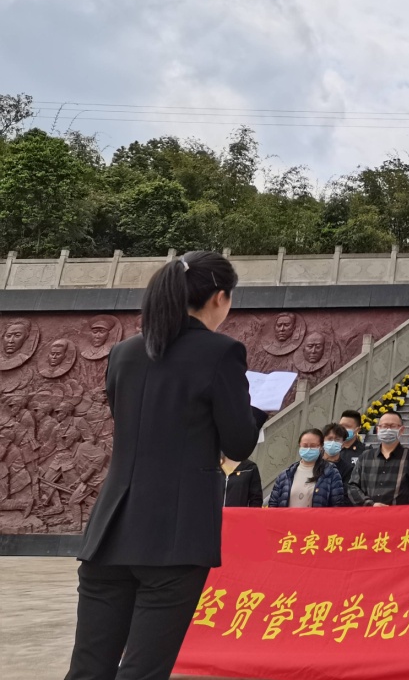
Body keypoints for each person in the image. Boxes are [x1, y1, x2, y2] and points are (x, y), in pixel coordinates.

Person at [67, 250, 258, 680]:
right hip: (175, 535)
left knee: (88, 668)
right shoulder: (222, 352)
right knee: (143, 669)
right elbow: (239, 442)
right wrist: (255, 410)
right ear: (220, 298)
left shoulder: (125, 352)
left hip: (110, 531)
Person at [346, 411, 409, 506]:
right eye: (384, 426)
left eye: (392, 426)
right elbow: (353, 486)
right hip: (369, 515)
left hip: (399, 516)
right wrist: (370, 504)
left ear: (401, 430)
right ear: (378, 429)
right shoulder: (365, 456)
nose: (388, 429)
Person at [268, 428, 346, 508]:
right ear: (299, 446)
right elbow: (273, 504)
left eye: (313, 446)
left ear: (321, 447)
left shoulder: (330, 472)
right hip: (288, 519)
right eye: (305, 446)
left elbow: (337, 505)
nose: (308, 449)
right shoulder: (285, 475)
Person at [337, 409, 366, 479]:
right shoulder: (332, 449)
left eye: (347, 426)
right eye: (341, 426)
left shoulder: (365, 452)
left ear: (357, 430)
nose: (342, 429)